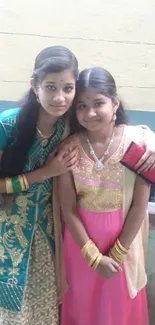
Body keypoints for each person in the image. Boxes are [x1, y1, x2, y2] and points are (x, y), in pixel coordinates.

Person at [59, 67, 152, 325]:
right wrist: (93, 257)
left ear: (115, 103)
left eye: (98, 103)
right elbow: (68, 209)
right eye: (81, 105)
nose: (90, 113)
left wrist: (116, 254)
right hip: (81, 245)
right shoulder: (68, 148)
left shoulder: (138, 143)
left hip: (123, 244)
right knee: (83, 306)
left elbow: (139, 204)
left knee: (117, 310)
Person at [0, 45, 79, 325]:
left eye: (68, 88)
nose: (60, 97)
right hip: (7, 232)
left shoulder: (67, 127)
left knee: (43, 313)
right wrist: (46, 172)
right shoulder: (8, 125)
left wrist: (146, 138)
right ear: (35, 86)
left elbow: (112, 125)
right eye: (50, 87)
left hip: (46, 235)